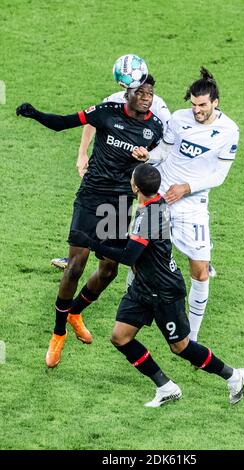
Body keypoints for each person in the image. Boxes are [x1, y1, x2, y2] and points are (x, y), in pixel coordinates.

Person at [70, 164, 244, 407]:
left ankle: (233, 376)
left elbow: (129, 257)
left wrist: (91, 243)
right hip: (143, 287)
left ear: (135, 187)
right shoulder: (153, 205)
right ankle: (166, 387)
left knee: (181, 347)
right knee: (120, 337)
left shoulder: (151, 216)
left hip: (164, 291)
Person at [16, 75, 163, 367]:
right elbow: (63, 123)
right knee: (75, 267)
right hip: (91, 196)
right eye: (141, 92)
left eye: (150, 92)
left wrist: (149, 156)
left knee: (109, 270)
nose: (147, 97)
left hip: (119, 203)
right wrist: (35, 114)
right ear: (127, 93)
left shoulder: (154, 127)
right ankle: (58, 334)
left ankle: (75, 312)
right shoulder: (106, 113)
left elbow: (162, 154)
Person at [132, 67, 239, 341]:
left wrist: (186, 188)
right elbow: (165, 151)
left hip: (192, 204)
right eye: (193, 104)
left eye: (202, 105)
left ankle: (191, 337)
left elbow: (219, 175)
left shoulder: (228, 131)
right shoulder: (179, 119)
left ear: (215, 102)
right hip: (162, 197)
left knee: (200, 271)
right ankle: (134, 313)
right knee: (138, 257)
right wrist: (148, 156)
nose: (197, 110)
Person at [50, 87, 171, 270]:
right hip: (98, 184)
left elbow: (164, 147)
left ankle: (143, 267)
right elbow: (93, 120)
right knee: (85, 245)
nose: (144, 97)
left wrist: (148, 156)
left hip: (128, 185)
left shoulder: (159, 109)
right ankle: (76, 255)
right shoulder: (114, 99)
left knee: (116, 259)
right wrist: (82, 153)